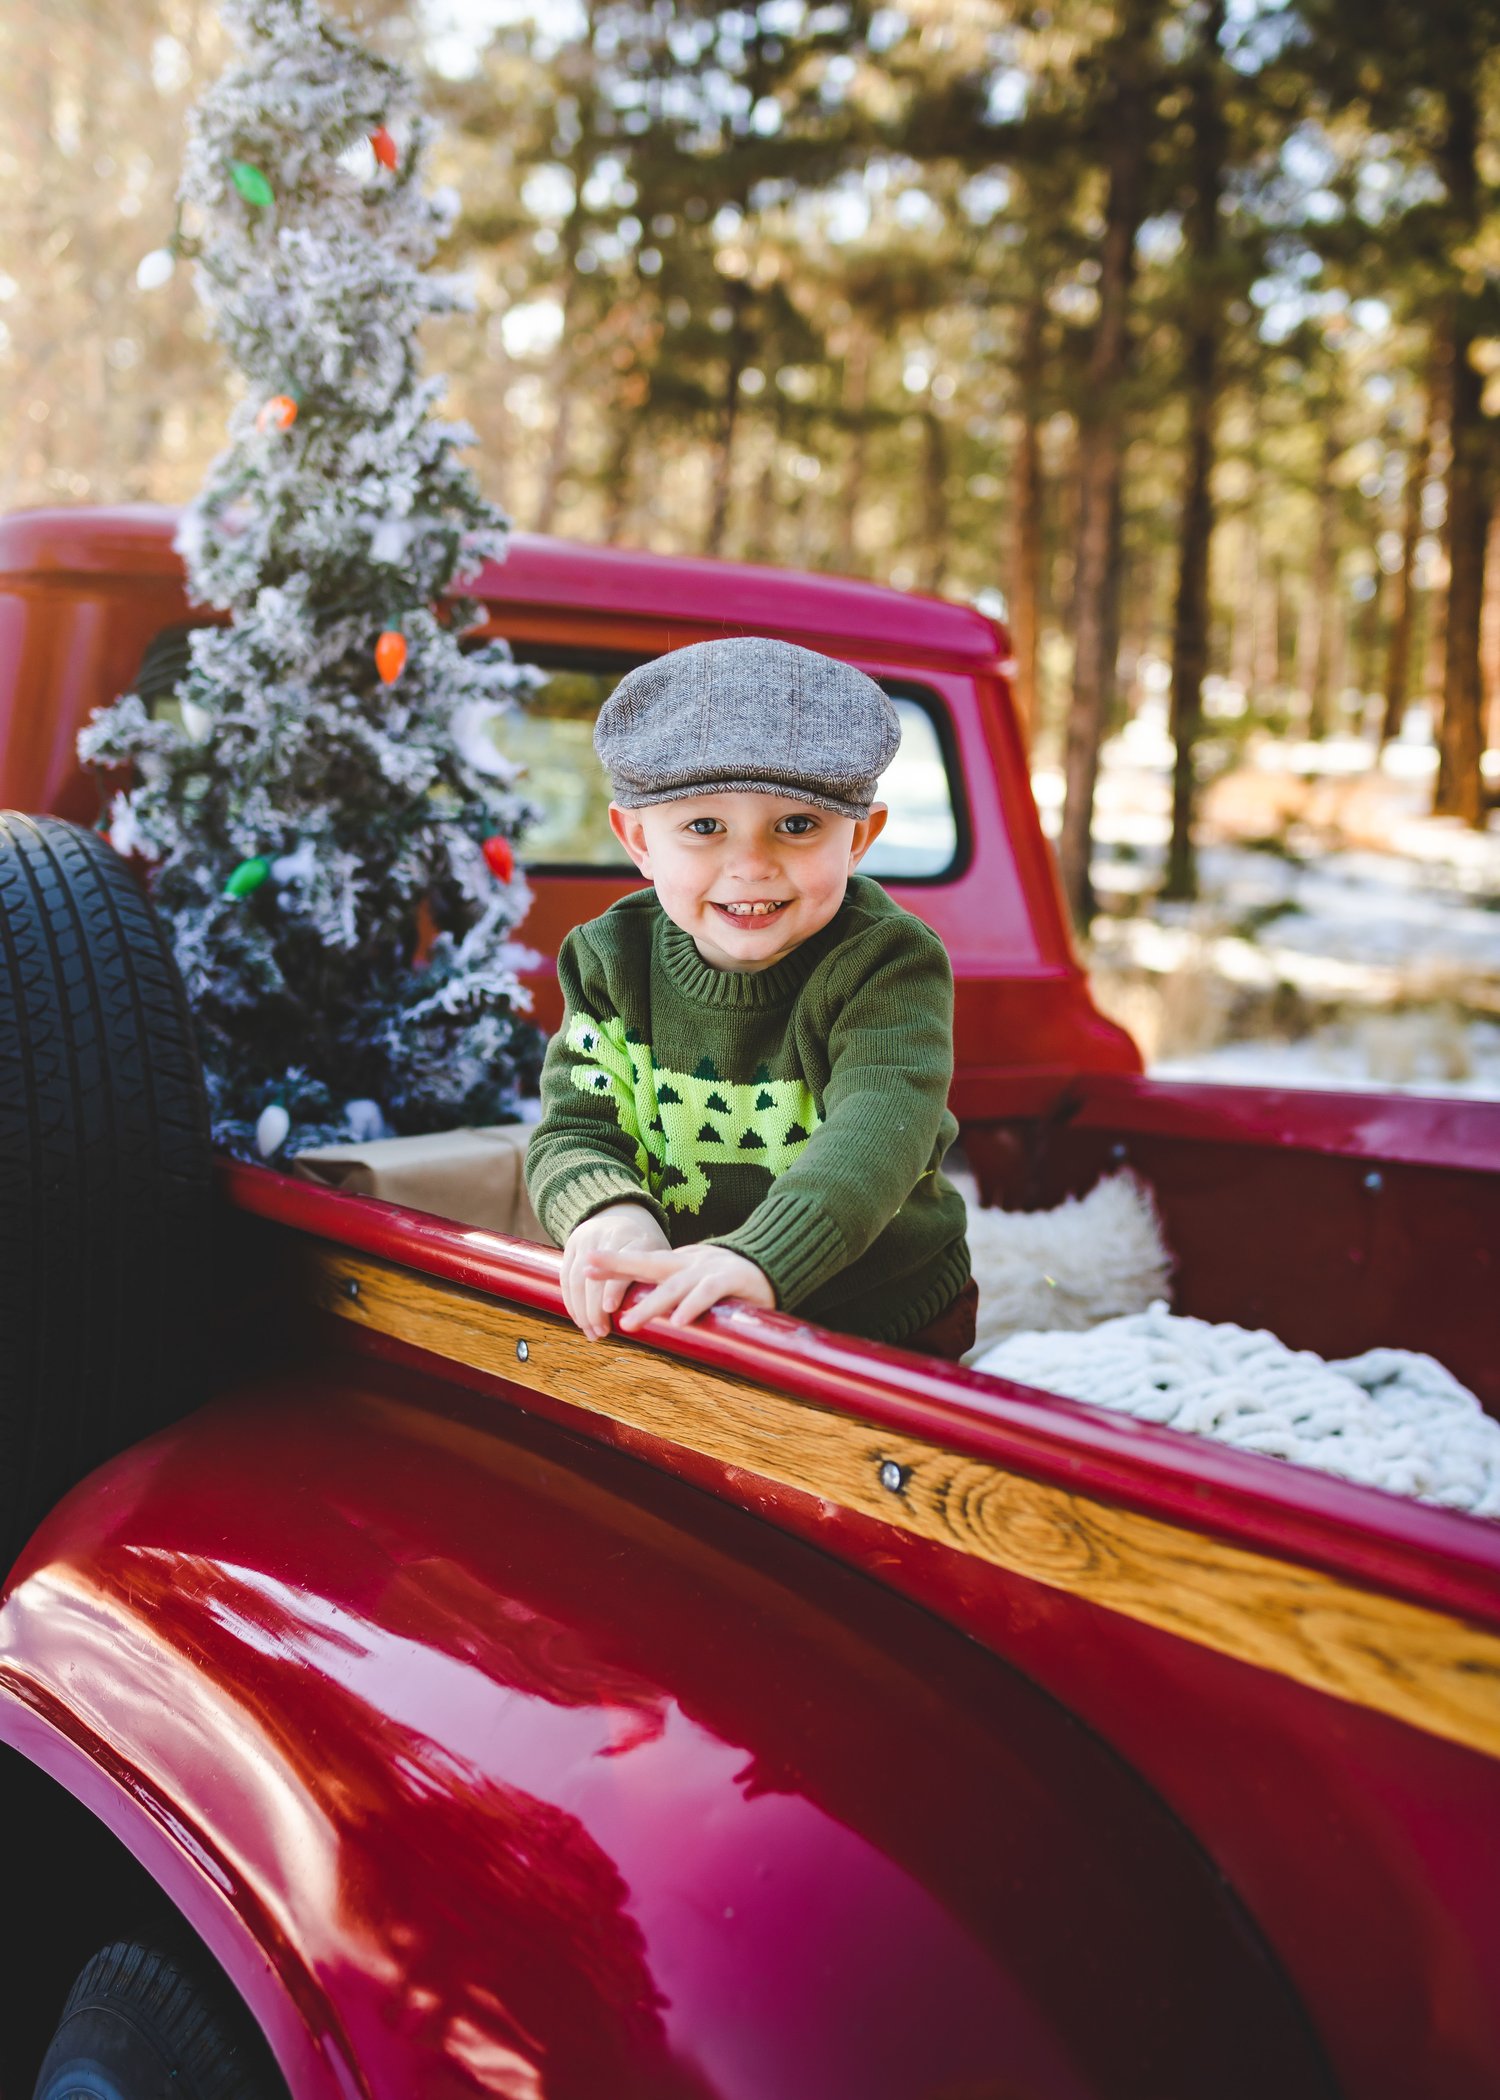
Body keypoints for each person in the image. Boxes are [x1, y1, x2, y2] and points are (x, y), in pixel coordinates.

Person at [524, 635, 974, 1358]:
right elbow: (577, 1127)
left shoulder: (887, 962)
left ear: (859, 838)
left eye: (797, 826)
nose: (751, 866)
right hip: (686, 1307)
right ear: (637, 838)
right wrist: (609, 1214)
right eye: (704, 827)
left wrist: (758, 1257)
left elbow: (880, 1131)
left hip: (880, 1322)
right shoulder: (609, 959)